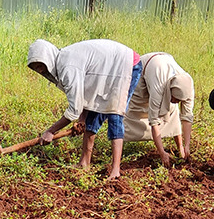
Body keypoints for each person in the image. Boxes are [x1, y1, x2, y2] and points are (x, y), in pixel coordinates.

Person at [27, 38, 142, 178]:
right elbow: (83, 97)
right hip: (105, 71)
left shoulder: (68, 68)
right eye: (36, 67)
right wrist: (82, 118)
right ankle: (84, 163)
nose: (40, 70)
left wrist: (51, 131)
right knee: (92, 115)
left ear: (48, 58)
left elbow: (73, 110)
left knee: (115, 114)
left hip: (125, 65)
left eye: (40, 65)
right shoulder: (64, 62)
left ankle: (116, 170)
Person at [123, 52, 194, 165]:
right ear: (170, 90)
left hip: (162, 67)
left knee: (173, 110)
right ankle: (118, 146)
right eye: (175, 98)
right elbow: (154, 121)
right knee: (136, 109)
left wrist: (187, 145)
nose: (176, 102)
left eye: (179, 100)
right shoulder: (159, 86)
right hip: (144, 70)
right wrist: (162, 152)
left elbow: (187, 117)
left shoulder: (187, 86)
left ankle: (180, 147)